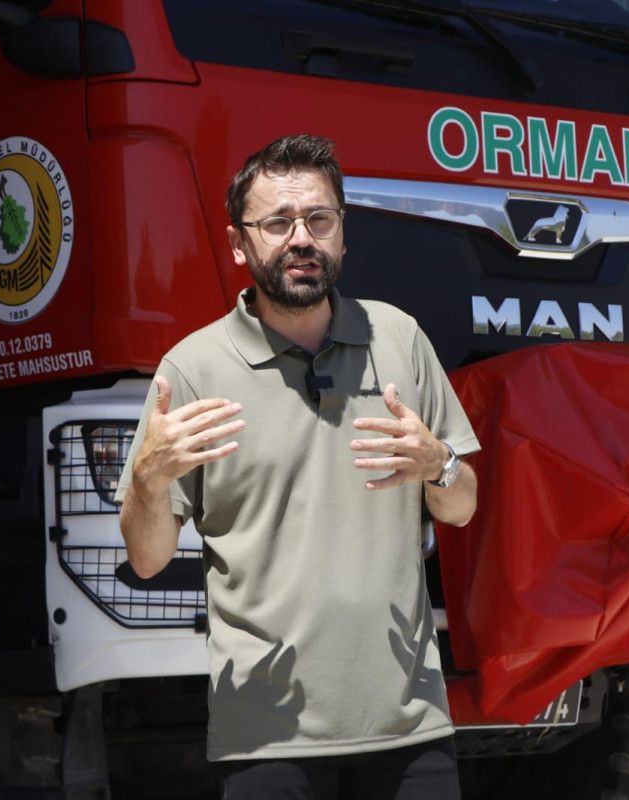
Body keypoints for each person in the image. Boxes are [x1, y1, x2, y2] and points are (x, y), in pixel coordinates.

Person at [114, 134, 479, 799]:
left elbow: (462, 507)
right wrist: (147, 480)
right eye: (278, 223)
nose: (301, 238)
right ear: (238, 243)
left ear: (343, 234)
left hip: (410, 724)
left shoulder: (400, 339)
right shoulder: (191, 371)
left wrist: (440, 463)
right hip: (267, 736)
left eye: (319, 219)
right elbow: (147, 559)